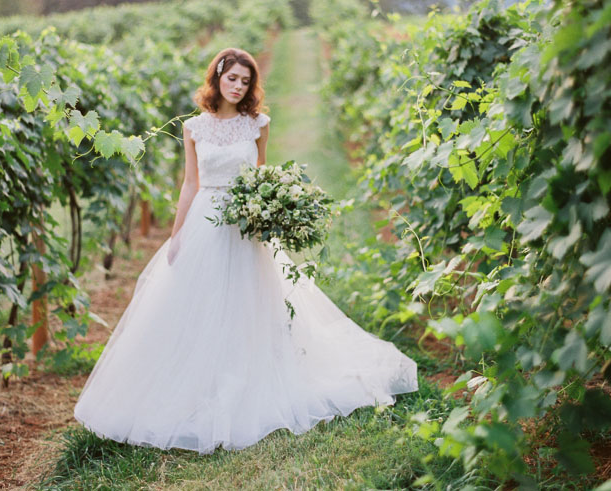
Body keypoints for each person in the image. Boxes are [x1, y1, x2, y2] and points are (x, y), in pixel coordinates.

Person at [73, 47, 418, 454]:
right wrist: (178, 232)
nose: (238, 87)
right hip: (205, 219)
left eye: (245, 81)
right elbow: (190, 183)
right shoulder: (194, 127)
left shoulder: (258, 124)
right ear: (216, 78)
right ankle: (197, 379)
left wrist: (270, 212)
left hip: (243, 221)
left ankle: (250, 375)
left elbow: (260, 175)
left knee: (249, 300)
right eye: (232, 78)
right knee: (196, 301)